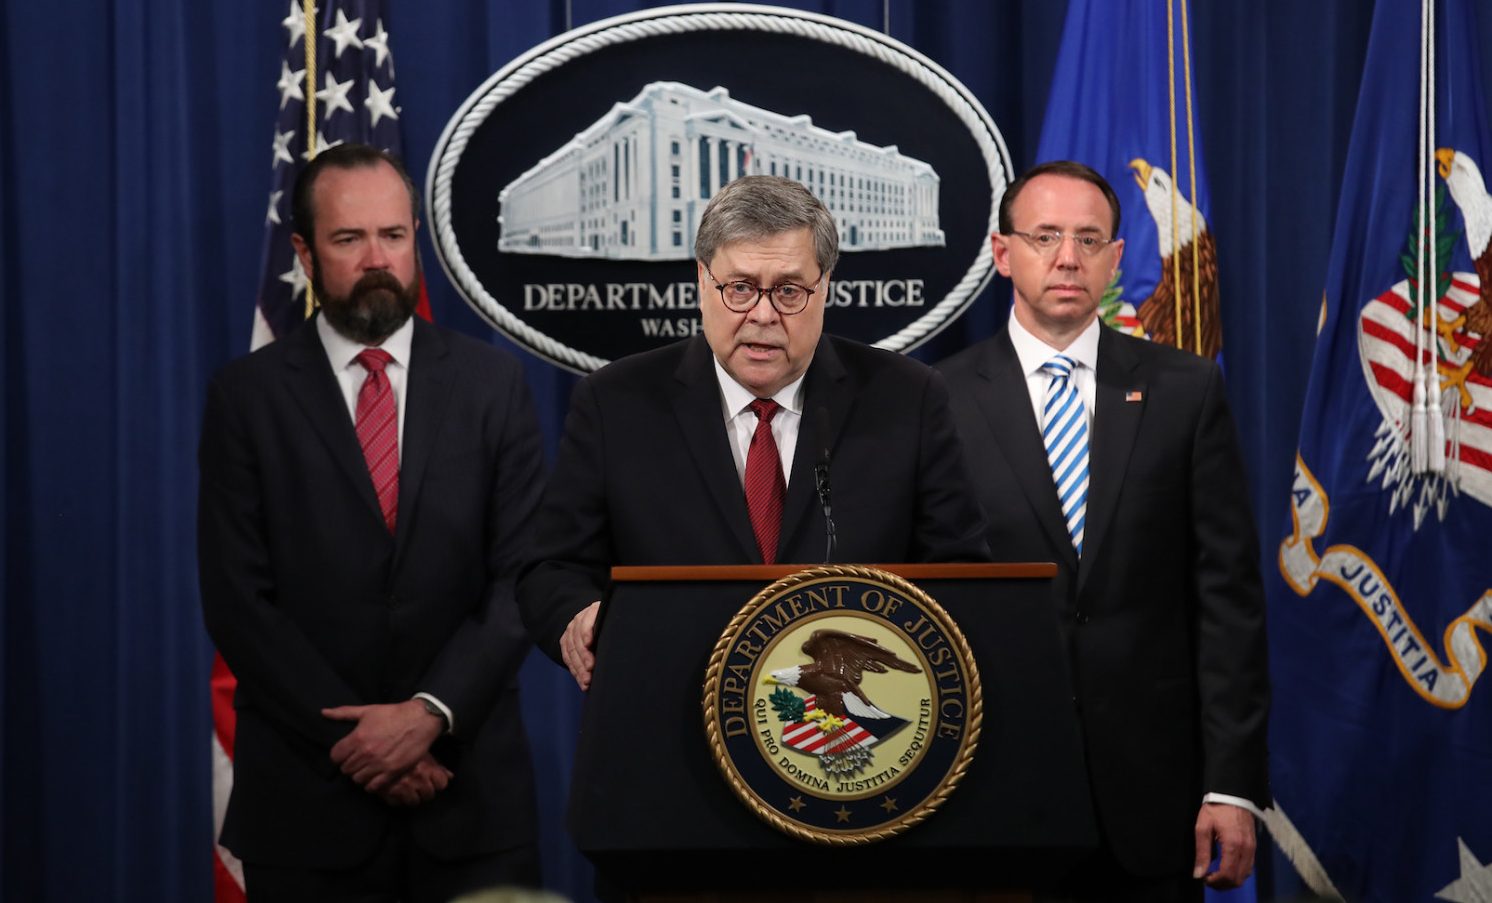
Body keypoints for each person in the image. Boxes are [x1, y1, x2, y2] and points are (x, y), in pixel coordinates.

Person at [198, 144, 543, 901]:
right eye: (348, 239)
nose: (376, 258)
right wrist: (362, 742)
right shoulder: (245, 398)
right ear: (305, 251)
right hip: (308, 802)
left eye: (392, 234)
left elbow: (522, 578)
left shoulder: (493, 386)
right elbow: (238, 600)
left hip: (470, 796)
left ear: (416, 237)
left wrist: (429, 714)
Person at [937, 161, 1269, 901]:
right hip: (987, 792)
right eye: (1045, 236)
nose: (1067, 258)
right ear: (1002, 253)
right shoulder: (936, 401)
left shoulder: (1187, 391)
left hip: (1156, 802)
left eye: (1090, 239)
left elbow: (1229, 604)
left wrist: (1232, 786)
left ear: (1117, 259)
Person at [518, 174, 988, 690]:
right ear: (702, 280)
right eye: (740, 288)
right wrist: (577, 618)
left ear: (825, 286)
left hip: (844, 726)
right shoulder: (616, 403)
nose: (762, 315)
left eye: (789, 290)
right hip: (667, 714)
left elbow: (960, 572)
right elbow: (551, 568)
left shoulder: (906, 398)